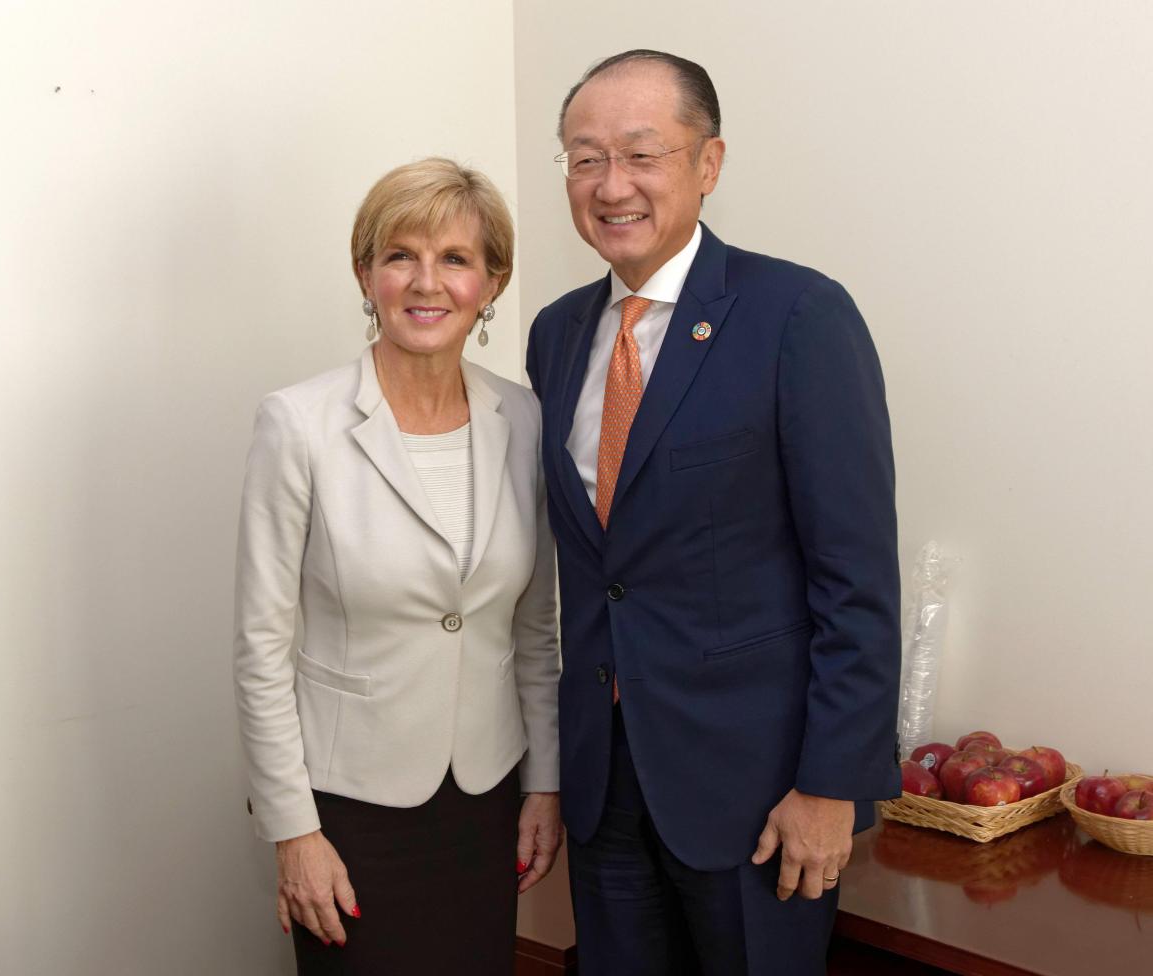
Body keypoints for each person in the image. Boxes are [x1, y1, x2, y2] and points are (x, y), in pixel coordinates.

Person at [525, 51, 901, 975]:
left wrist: (830, 787)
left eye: (641, 154)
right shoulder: (556, 334)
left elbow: (856, 580)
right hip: (604, 785)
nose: (611, 185)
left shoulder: (797, 316)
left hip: (759, 798)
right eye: (584, 158)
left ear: (710, 163)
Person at [234, 157, 562, 976]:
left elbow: (535, 629)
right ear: (366, 274)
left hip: (488, 797)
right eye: (400, 255)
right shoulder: (298, 424)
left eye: (455, 259)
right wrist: (293, 831)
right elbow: (261, 648)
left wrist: (545, 786)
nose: (427, 282)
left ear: (491, 283)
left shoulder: (522, 418)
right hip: (349, 812)